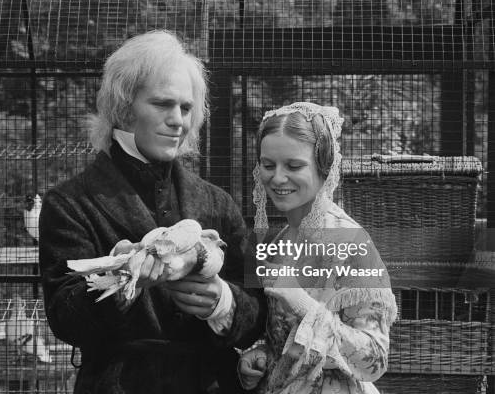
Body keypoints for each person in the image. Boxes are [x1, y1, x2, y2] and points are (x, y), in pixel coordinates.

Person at [38, 30, 266, 394]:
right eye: (163, 104)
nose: (178, 120)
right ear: (124, 107)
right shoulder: (69, 204)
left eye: (186, 108)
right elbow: (65, 320)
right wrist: (119, 284)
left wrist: (223, 303)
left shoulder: (217, 203)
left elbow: (259, 308)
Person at [238, 102, 397, 394]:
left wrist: (304, 304)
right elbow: (284, 337)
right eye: (268, 164)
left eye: (294, 165)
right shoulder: (278, 241)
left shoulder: (349, 242)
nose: (277, 178)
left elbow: (375, 361)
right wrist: (260, 354)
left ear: (324, 166)